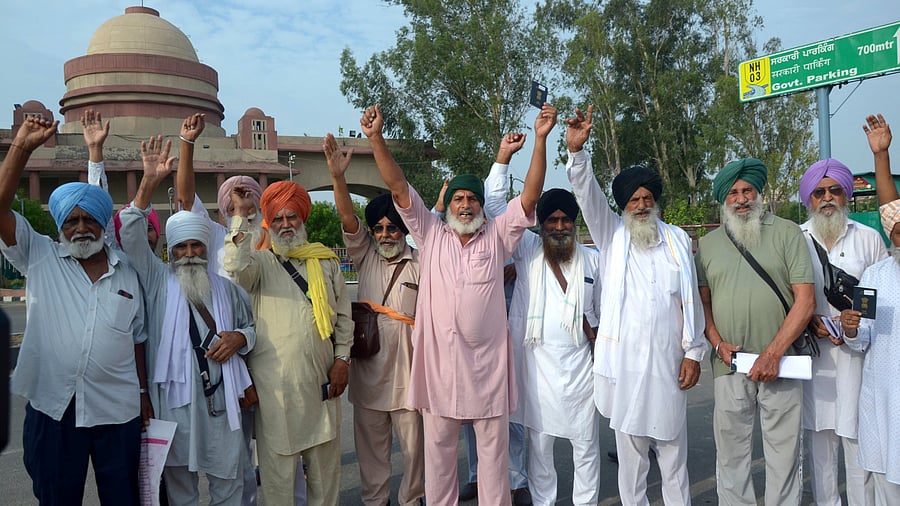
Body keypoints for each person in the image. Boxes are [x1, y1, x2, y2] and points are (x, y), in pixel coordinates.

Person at [361, 102, 555, 506]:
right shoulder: (430, 234)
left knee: (493, 464)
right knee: (440, 463)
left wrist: (540, 140)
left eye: (472, 199)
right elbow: (398, 188)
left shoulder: (498, 236)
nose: (465, 205)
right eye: (458, 199)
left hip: (488, 371)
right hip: (440, 371)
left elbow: (530, 195)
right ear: (447, 205)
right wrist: (376, 139)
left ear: (482, 207)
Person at [0, 116, 150, 504]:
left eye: (89, 219)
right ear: (59, 226)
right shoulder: (39, 256)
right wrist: (21, 147)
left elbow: (136, 341)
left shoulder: (127, 274)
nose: (81, 227)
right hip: (53, 409)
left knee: (123, 499)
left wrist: (143, 392)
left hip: (118, 412)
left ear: (102, 223)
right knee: (56, 498)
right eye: (71, 221)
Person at [565, 106, 706, 505]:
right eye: (634, 199)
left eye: (647, 197)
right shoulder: (612, 237)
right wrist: (577, 154)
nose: (641, 204)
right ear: (624, 205)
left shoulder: (677, 241)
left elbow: (690, 301)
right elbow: (588, 197)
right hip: (625, 371)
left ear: (655, 201)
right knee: (631, 463)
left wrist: (694, 353)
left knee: (674, 459)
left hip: (668, 367)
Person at [120, 127, 256, 505]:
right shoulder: (155, 280)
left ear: (206, 244)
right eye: (182, 246)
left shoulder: (227, 288)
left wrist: (239, 338)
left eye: (197, 244)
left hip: (222, 403)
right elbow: (130, 233)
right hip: (174, 404)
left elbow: (251, 328)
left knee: (228, 485)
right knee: (181, 491)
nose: (191, 252)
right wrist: (148, 183)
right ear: (171, 249)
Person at [224, 178, 352, 505]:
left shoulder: (326, 262)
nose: (285, 225)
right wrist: (240, 214)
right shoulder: (260, 264)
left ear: (302, 218)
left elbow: (343, 319)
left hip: (321, 387)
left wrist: (342, 360)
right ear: (269, 221)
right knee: (279, 484)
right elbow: (234, 266)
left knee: (325, 483)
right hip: (276, 393)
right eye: (277, 218)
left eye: (291, 217)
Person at [695, 157, 815, 505]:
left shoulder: (788, 233)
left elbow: (805, 301)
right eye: (733, 192)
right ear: (724, 199)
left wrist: (773, 353)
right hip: (730, 364)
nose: (741, 198)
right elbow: (703, 303)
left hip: (782, 361)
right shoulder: (708, 244)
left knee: (784, 454)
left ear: (759, 193)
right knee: (731, 455)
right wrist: (717, 345)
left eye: (748, 190)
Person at [324, 133, 425, 505]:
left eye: (392, 227)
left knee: (415, 457)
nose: (384, 234)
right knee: (371, 458)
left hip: (409, 381)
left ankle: (411, 501)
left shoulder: (421, 261)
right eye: (379, 228)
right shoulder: (364, 255)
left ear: (404, 230)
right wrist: (338, 178)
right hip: (368, 380)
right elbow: (348, 219)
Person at [798, 158, 886, 506]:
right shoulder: (797, 239)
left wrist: (855, 327)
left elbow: (880, 299)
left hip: (858, 358)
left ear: (846, 194)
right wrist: (809, 321)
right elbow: (789, 297)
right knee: (820, 445)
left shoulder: (868, 239)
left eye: (835, 190)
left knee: (858, 442)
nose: (827, 197)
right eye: (819, 192)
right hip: (815, 360)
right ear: (809, 199)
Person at [80, 108, 162, 251]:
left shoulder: (164, 272)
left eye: (147, 228)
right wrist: (95, 149)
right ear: (116, 234)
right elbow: (99, 206)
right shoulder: (118, 265)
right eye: (130, 229)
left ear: (157, 233)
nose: (140, 235)